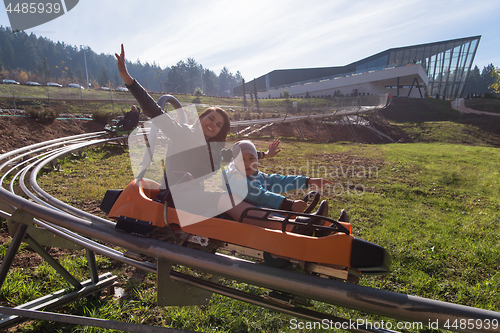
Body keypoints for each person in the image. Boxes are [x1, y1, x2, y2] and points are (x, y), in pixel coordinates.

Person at [115, 44, 282, 225]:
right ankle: (281, 227)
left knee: (238, 194)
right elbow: (155, 112)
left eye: (219, 124)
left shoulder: (214, 149)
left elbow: (238, 155)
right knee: (229, 199)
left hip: (196, 196)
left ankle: (281, 220)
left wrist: (265, 154)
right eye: (211, 119)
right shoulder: (182, 133)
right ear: (201, 118)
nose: (213, 125)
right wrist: (128, 80)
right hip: (177, 196)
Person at [223, 140, 332, 217]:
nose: (247, 163)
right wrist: (288, 204)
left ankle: (314, 224)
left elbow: (280, 181)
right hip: (244, 217)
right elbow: (259, 196)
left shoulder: (258, 176)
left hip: (257, 211)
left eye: (251, 158)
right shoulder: (235, 179)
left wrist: (308, 180)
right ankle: (303, 226)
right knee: (276, 216)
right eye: (241, 160)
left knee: (276, 213)